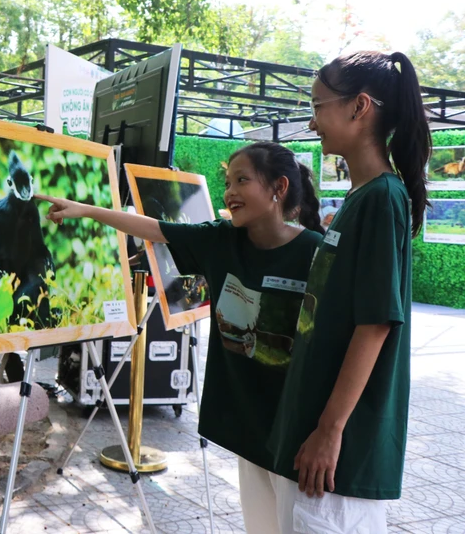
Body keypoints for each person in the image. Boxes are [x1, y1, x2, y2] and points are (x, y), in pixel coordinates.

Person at [37, 142, 324, 532]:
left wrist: (331, 429)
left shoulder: (316, 254)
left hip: (296, 428)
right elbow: (154, 228)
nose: (229, 192)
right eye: (227, 182)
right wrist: (85, 210)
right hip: (249, 424)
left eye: (242, 180)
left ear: (279, 188)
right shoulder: (221, 240)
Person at [268, 51, 430, 532]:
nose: (312, 122)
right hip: (315, 440)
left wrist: (330, 429)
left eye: (318, 106)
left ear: (360, 107)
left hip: (339, 457)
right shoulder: (362, 199)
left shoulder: (383, 199)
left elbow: (376, 323)